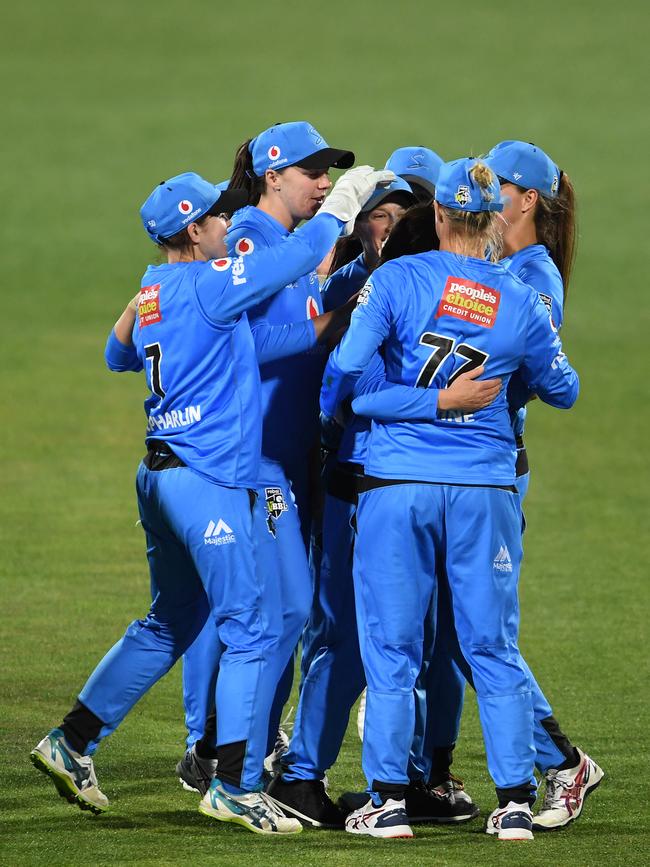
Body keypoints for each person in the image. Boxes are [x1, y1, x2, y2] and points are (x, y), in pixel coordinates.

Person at [29, 164, 391, 835]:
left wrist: (324, 328)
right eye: (218, 218)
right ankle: (233, 784)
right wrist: (343, 202)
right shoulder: (208, 282)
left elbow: (119, 355)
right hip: (209, 485)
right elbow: (304, 254)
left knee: (169, 622)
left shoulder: (157, 290)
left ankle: (71, 740)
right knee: (252, 631)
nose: (230, 223)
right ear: (194, 232)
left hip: (159, 479)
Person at [320, 158, 579, 840]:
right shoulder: (518, 295)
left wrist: (411, 399)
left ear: (437, 216)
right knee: (491, 644)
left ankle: (387, 801)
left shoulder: (396, 279)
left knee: (393, 646)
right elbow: (565, 388)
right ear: (493, 218)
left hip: (397, 485)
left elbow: (347, 369)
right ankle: (517, 801)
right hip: (486, 489)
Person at [483, 139, 603, 829]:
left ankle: (564, 763)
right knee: (468, 633)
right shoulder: (503, 262)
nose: (485, 194)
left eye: (496, 185)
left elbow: (527, 369)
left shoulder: (534, 277)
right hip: (474, 467)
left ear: (528, 198)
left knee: (483, 636)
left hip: (497, 472)